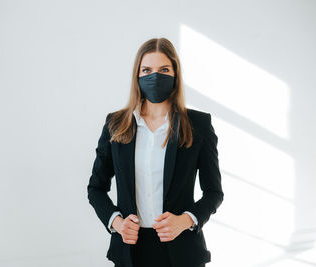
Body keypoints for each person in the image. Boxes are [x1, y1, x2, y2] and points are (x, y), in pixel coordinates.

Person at [87, 37, 224, 267]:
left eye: (163, 69)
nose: (155, 77)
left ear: (175, 75)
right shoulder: (116, 124)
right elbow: (96, 188)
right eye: (147, 70)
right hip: (130, 251)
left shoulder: (198, 125)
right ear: (137, 76)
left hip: (182, 251)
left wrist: (185, 220)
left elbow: (214, 192)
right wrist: (116, 222)